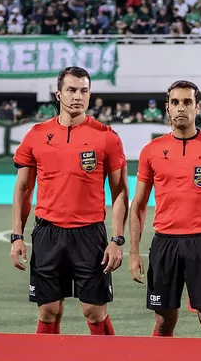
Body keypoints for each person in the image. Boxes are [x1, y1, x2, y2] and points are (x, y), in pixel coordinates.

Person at [10, 66, 128, 335]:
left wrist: (117, 239)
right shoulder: (36, 136)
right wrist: (17, 236)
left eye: (84, 91)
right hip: (48, 233)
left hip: (89, 235)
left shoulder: (106, 137)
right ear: (58, 93)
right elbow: (23, 189)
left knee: (94, 311)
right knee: (48, 310)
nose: (78, 96)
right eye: (72, 90)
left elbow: (120, 192)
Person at [129, 80, 201, 338]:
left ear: (198, 107)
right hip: (164, 244)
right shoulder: (152, 151)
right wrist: (134, 252)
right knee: (163, 321)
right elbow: (138, 206)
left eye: (187, 102)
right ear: (167, 108)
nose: (181, 108)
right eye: (175, 102)